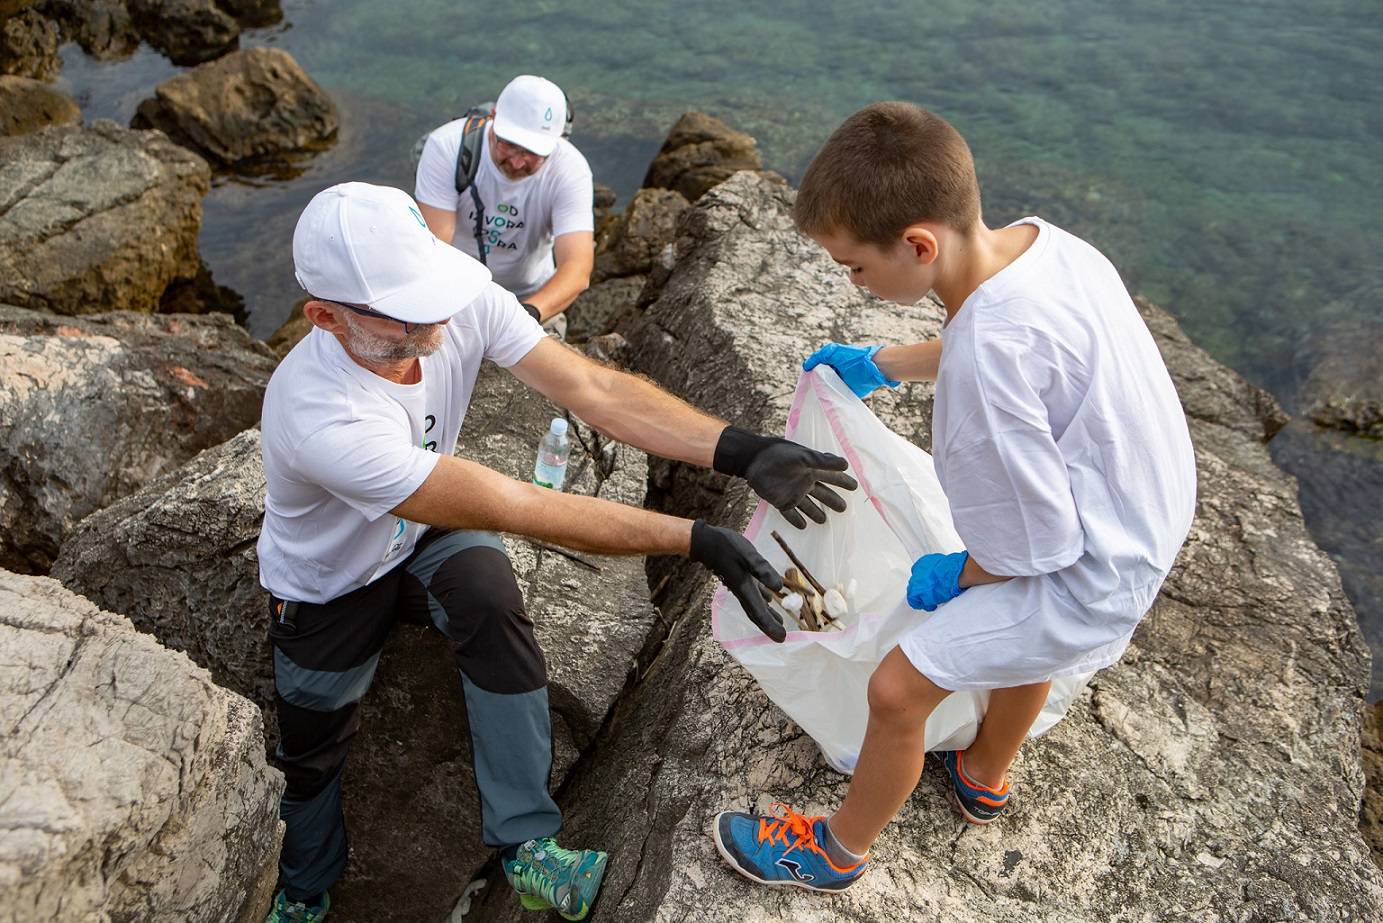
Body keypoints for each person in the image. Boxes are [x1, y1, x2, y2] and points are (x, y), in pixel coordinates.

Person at [258, 181, 855, 922]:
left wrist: (741, 449)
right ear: (324, 316)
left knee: (489, 597)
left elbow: (590, 387)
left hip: (419, 541)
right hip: (327, 583)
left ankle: (529, 848)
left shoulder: (454, 299)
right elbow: (521, 506)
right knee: (313, 751)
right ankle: (304, 890)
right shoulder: (321, 416)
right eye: (405, 310)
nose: (434, 319)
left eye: (431, 291)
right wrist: (691, 536)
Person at [711, 102, 1197, 892]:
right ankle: (981, 770)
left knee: (898, 687)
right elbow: (1005, 339)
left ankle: (833, 853)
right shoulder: (1049, 246)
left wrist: (958, 571)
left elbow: (1031, 552)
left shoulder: (982, 376)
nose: (853, 283)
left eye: (854, 268)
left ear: (917, 245)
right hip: (1147, 512)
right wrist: (883, 360)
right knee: (1015, 641)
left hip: (1089, 570)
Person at [414, 74, 593, 333]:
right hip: (455, 292)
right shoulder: (448, 146)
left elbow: (577, 268)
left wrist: (526, 316)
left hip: (530, 297)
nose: (518, 162)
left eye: (533, 152)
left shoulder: (571, 171)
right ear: (494, 117)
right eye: (510, 145)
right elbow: (434, 246)